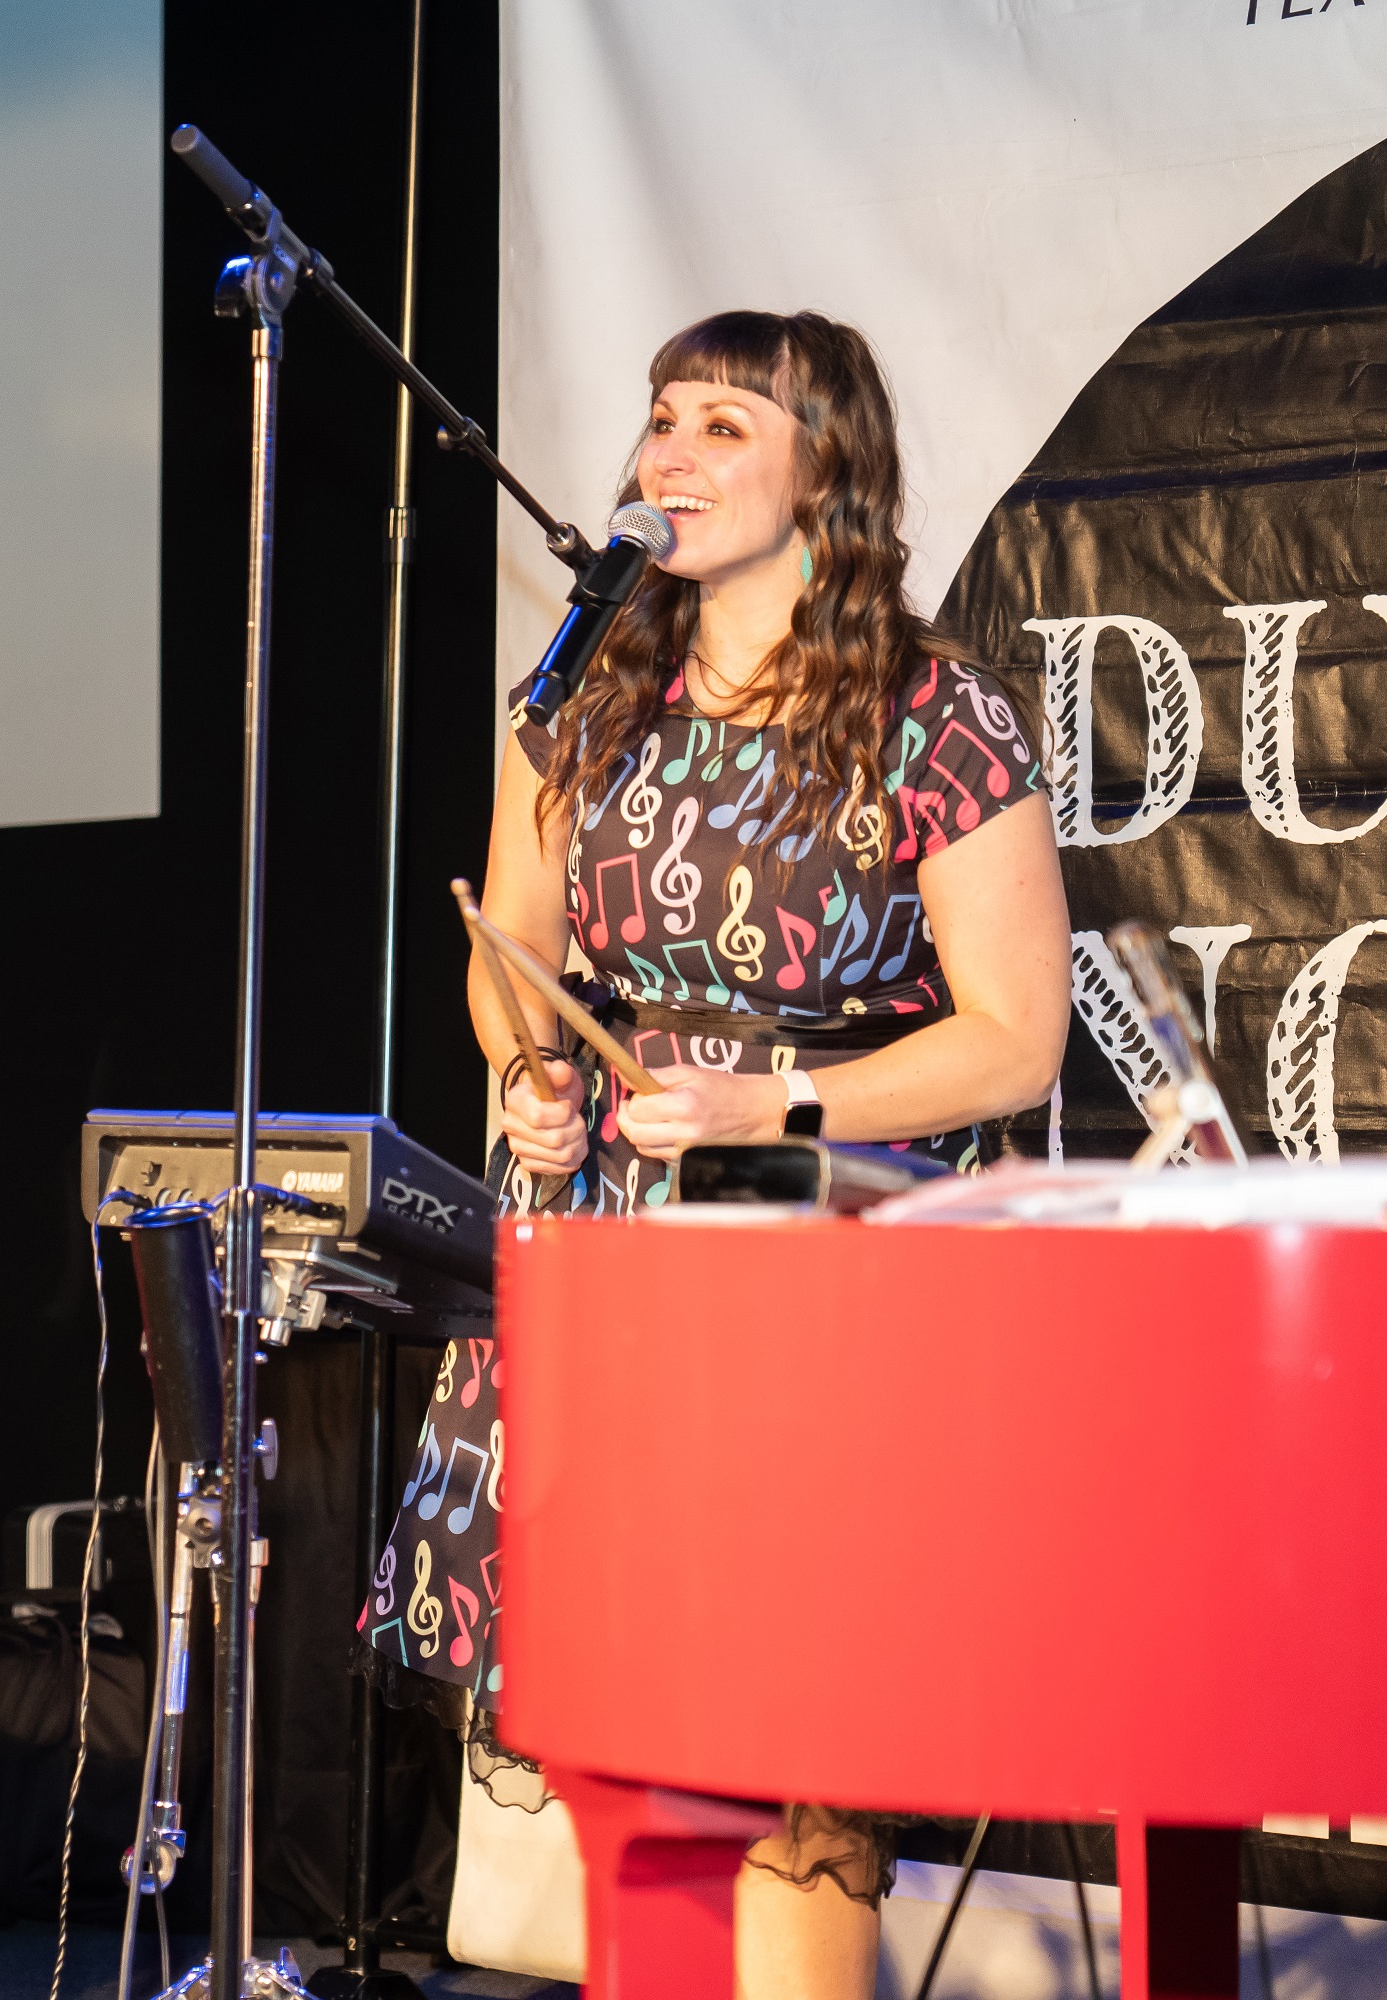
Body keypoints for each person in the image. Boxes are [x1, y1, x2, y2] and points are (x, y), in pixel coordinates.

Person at [367, 310, 1069, 1999]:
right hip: (605, 1234)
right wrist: (531, 1063)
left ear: (827, 472)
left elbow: (1015, 1036)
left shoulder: (930, 705)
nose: (665, 454)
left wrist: (783, 1107)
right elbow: (508, 949)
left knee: (795, 1739)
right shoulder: (588, 688)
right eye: (659, 418)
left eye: (723, 426)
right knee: (622, 1715)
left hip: (813, 1246)